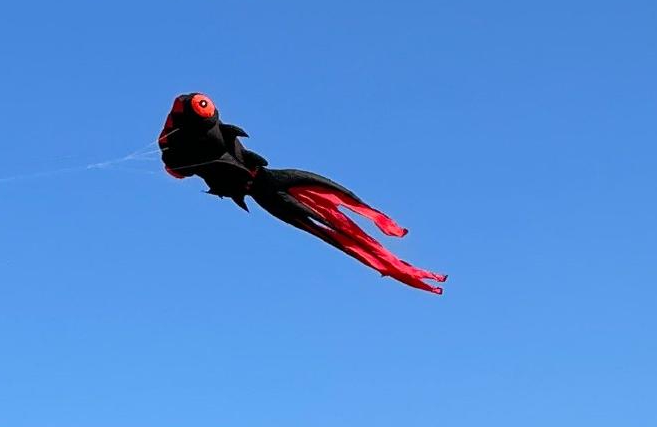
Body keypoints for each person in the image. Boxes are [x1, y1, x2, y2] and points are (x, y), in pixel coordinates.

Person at [158, 92, 446, 294]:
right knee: (331, 231)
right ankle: (404, 269)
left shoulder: (206, 134)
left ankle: (390, 237)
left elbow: (179, 164)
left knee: (334, 207)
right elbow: (177, 163)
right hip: (262, 190)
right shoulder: (183, 144)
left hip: (267, 180)